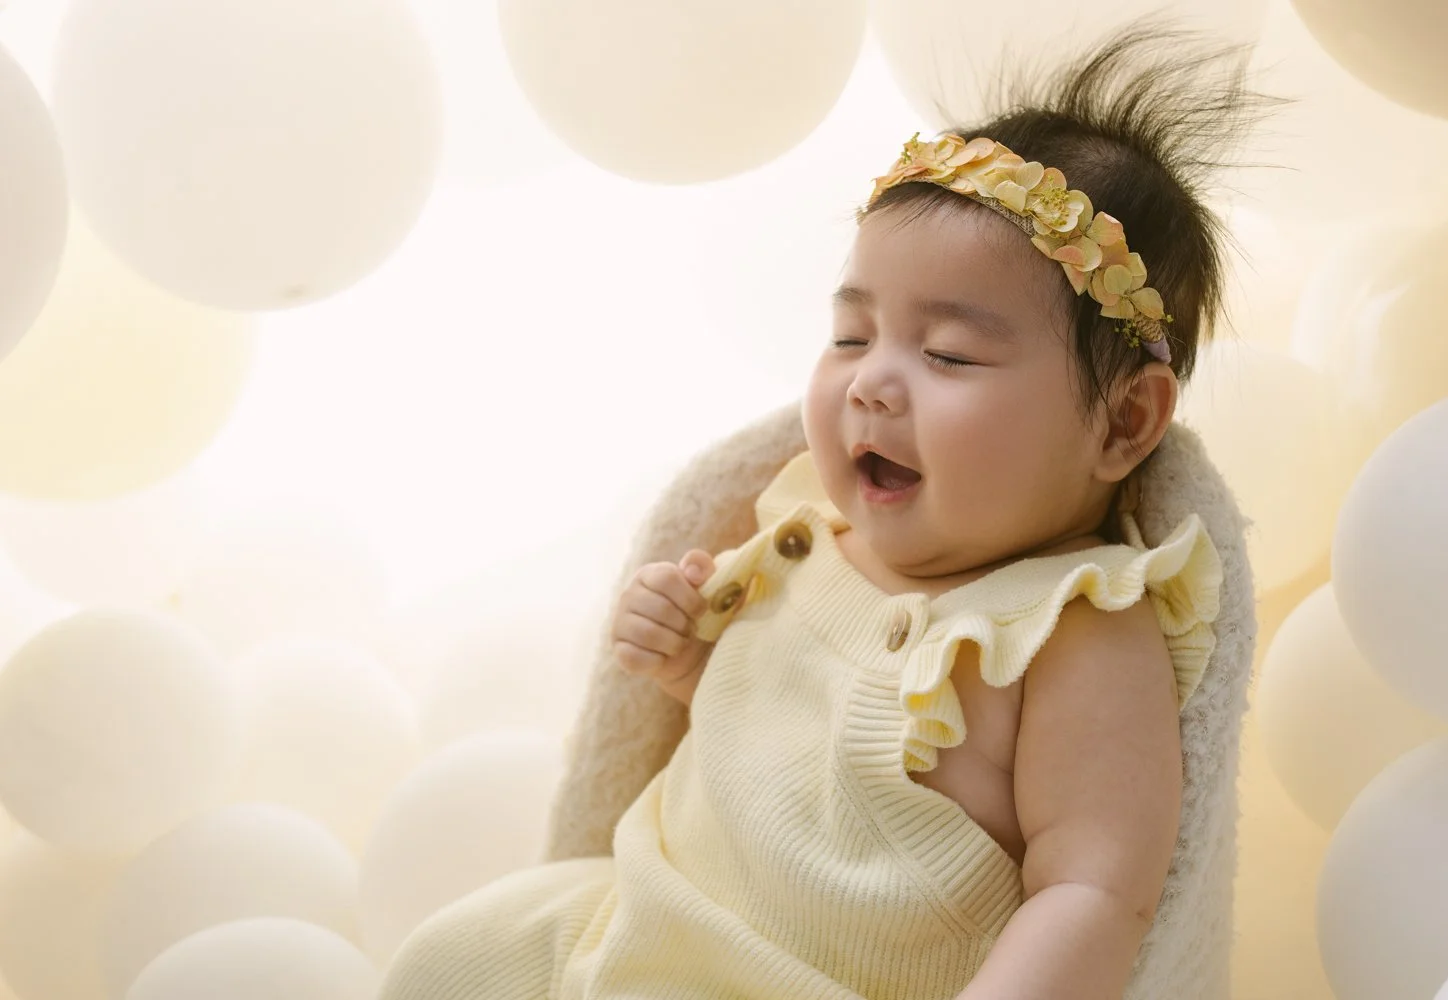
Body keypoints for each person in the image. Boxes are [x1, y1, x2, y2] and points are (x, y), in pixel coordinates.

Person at [379, 21, 1275, 1000]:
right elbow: (773, 753)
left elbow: (1094, 893)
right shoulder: (811, 535)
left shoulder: (1075, 629)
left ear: (1123, 420)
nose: (872, 385)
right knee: (456, 955)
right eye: (852, 336)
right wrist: (690, 663)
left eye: (948, 355)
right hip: (636, 922)